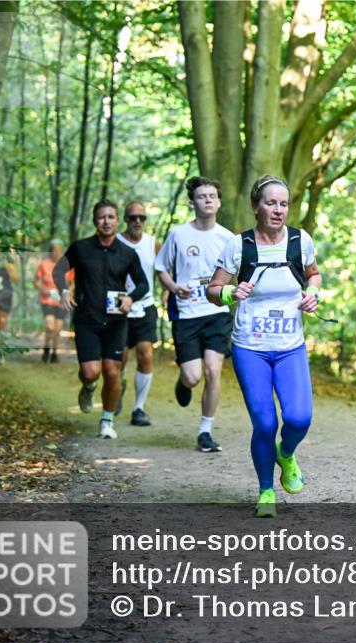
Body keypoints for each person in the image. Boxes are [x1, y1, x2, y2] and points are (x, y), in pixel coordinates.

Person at [207, 175, 321, 518]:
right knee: (265, 424)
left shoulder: (301, 241)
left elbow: (313, 274)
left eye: (283, 204)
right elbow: (213, 289)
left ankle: (286, 454)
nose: (278, 210)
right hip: (250, 348)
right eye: (271, 203)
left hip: (290, 346)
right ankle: (266, 490)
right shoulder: (238, 246)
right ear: (256, 206)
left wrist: (313, 294)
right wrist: (230, 293)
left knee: (300, 418)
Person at [54, 200, 149, 439]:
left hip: (116, 322)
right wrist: (64, 291)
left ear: (117, 221)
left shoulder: (127, 253)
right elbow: (58, 270)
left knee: (112, 371)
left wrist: (130, 298)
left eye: (111, 217)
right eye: (101, 217)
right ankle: (88, 387)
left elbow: (144, 284)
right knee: (90, 372)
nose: (106, 221)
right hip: (87, 319)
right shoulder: (81, 248)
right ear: (95, 221)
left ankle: (107, 421)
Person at [155, 176, 235, 453]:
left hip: (217, 313)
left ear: (219, 201)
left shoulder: (228, 238)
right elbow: (161, 267)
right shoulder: (178, 234)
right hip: (187, 314)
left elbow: (239, 273)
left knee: (214, 371)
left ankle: (205, 431)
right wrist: (174, 287)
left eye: (213, 196)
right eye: (202, 196)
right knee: (193, 377)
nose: (208, 200)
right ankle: (184, 380)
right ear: (192, 202)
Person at [117, 201, 160, 427]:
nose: (137, 221)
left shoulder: (153, 244)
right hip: (119, 307)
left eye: (141, 218)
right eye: (132, 217)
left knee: (145, 354)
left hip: (145, 304)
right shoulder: (115, 242)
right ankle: (118, 385)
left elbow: (165, 269)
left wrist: (170, 292)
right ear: (125, 219)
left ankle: (138, 408)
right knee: (120, 358)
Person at [34, 239, 68, 363]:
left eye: (59, 251)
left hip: (62, 301)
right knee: (50, 326)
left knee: (58, 329)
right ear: (50, 251)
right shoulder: (44, 264)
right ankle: (46, 348)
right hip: (47, 300)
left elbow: (72, 283)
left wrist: (67, 293)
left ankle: (54, 353)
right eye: (54, 251)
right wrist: (44, 290)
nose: (57, 253)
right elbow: (36, 281)